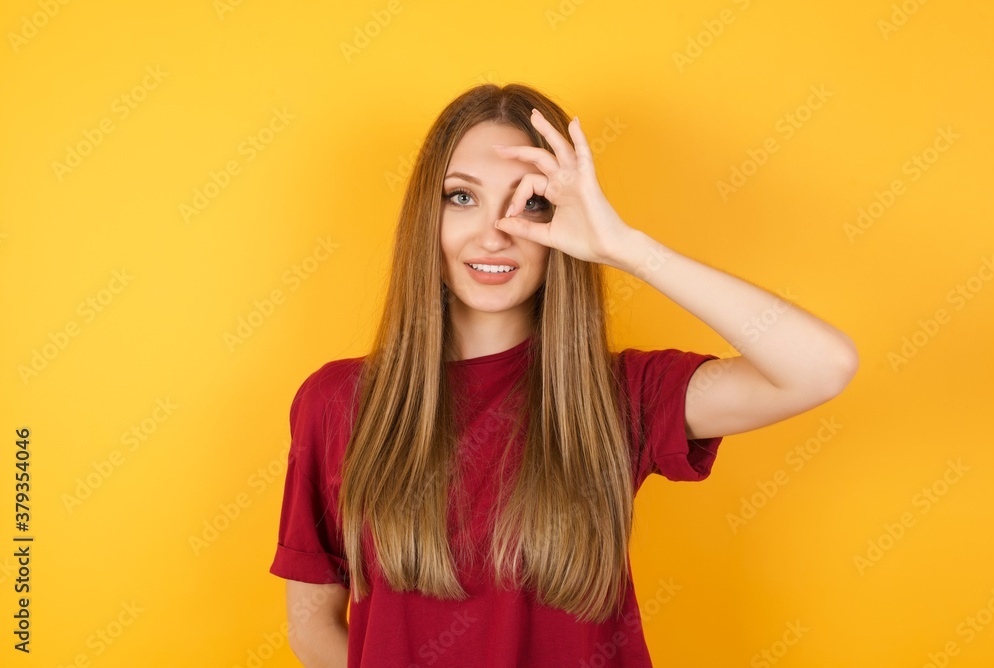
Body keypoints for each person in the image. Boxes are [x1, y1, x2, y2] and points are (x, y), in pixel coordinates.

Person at [268, 82, 858, 667]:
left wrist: (624, 247)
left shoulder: (621, 395)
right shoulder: (338, 402)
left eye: (531, 202)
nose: (495, 232)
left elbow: (821, 367)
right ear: (427, 215)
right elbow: (311, 624)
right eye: (462, 197)